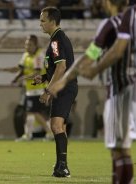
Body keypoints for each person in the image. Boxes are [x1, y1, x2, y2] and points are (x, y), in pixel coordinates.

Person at [48, 1, 134, 183]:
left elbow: (94, 54)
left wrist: (90, 71)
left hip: (122, 91)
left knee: (118, 150)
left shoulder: (114, 24)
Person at [32, 7, 78, 177]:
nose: (40, 24)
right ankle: (61, 166)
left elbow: (61, 67)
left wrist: (48, 91)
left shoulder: (56, 40)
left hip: (64, 88)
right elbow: (57, 67)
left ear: (52, 21)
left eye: (43, 20)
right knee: (59, 126)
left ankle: (63, 167)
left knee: (56, 126)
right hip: (65, 86)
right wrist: (44, 77)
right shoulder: (58, 38)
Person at [1, 34, 52, 141]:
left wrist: (22, 78)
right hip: (30, 90)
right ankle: (28, 135)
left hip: (38, 89)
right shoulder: (25, 55)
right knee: (30, 112)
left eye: (29, 45)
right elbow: (20, 69)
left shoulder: (39, 55)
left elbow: (37, 73)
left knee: (34, 112)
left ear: (35, 45)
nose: (27, 47)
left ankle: (49, 132)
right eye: (26, 44)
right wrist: (8, 71)